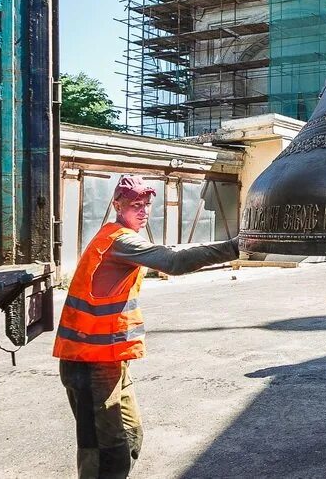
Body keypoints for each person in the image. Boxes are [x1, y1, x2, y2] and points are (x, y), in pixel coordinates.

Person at [53, 175, 239, 479]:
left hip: (110, 363)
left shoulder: (125, 240)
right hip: (88, 364)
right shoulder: (118, 240)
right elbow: (173, 261)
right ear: (116, 205)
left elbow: (170, 250)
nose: (143, 211)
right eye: (135, 205)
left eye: (146, 205)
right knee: (104, 455)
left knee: (130, 440)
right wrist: (234, 247)